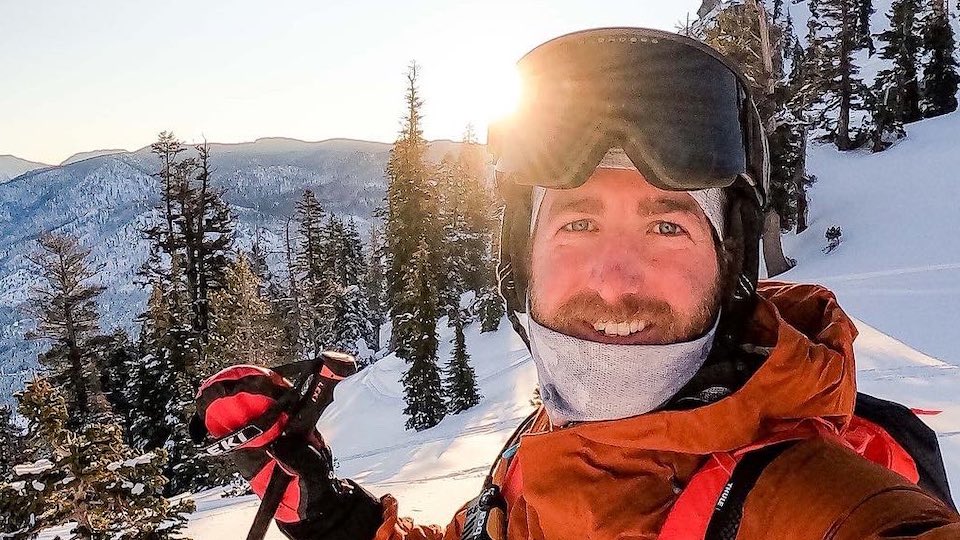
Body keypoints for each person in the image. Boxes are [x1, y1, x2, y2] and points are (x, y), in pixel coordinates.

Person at [192, 28, 960, 539]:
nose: (614, 281)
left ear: (729, 263)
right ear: (522, 257)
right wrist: (334, 519)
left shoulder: (808, 499)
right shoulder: (552, 436)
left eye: (667, 226)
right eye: (579, 222)